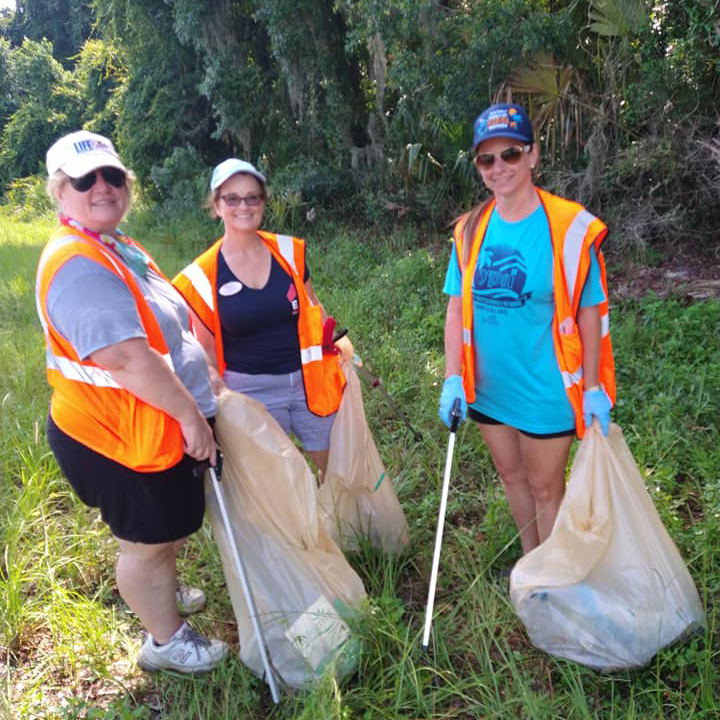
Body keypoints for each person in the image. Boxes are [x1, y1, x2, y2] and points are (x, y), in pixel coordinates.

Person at [36, 130, 228, 673]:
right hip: (117, 435)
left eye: (112, 175)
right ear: (60, 191)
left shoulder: (117, 245)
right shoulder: (77, 263)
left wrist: (204, 373)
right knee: (144, 543)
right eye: (85, 179)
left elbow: (170, 324)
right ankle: (165, 642)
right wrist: (193, 418)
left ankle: (160, 589)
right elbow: (128, 360)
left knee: (160, 533)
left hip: (144, 426)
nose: (102, 187)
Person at [439, 104, 616, 555]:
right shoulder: (469, 229)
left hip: (546, 387)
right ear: (478, 166)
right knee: (512, 478)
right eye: (487, 159)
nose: (500, 167)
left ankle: (558, 581)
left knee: (544, 488)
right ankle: (532, 563)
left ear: (533, 156)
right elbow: (457, 309)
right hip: (489, 386)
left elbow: (589, 311)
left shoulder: (567, 227)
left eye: (511, 154)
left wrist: (593, 385)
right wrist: (453, 377)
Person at [172, 159, 350, 478]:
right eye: (232, 198)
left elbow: (312, 305)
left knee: (339, 469)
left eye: (252, 197)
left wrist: (341, 345)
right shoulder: (200, 276)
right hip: (251, 392)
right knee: (277, 482)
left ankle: (345, 524)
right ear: (216, 204)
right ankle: (301, 530)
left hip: (309, 380)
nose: (244, 206)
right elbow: (206, 352)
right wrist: (215, 400)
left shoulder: (288, 251)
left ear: (263, 201)